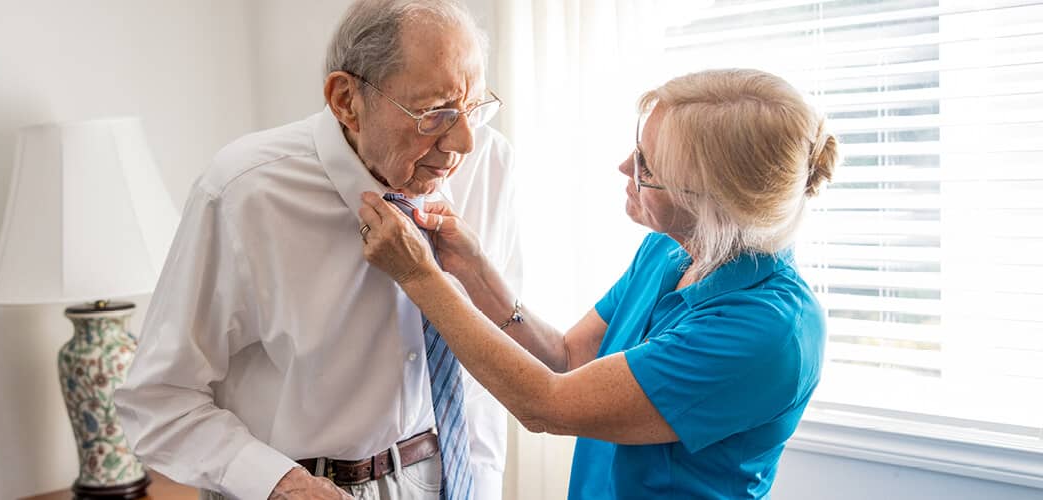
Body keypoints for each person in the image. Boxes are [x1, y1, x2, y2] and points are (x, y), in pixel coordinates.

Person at [357, 68, 839, 499]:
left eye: (649, 167)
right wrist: (474, 269)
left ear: (714, 205)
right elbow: (568, 357)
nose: (626, 169)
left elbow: (545, 405)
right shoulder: (671, 251)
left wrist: (420, 276)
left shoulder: (766, 334)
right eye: (637, 149)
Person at [114, 1, 522, 499]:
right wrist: (277, 483)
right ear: (346, 100)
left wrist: (481, 488)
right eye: (435, 114)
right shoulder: (244, 191)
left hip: (439, 477)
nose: (463, 142)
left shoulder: (490, 165)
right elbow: (157, 399)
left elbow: (478, 376)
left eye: (475, 107)